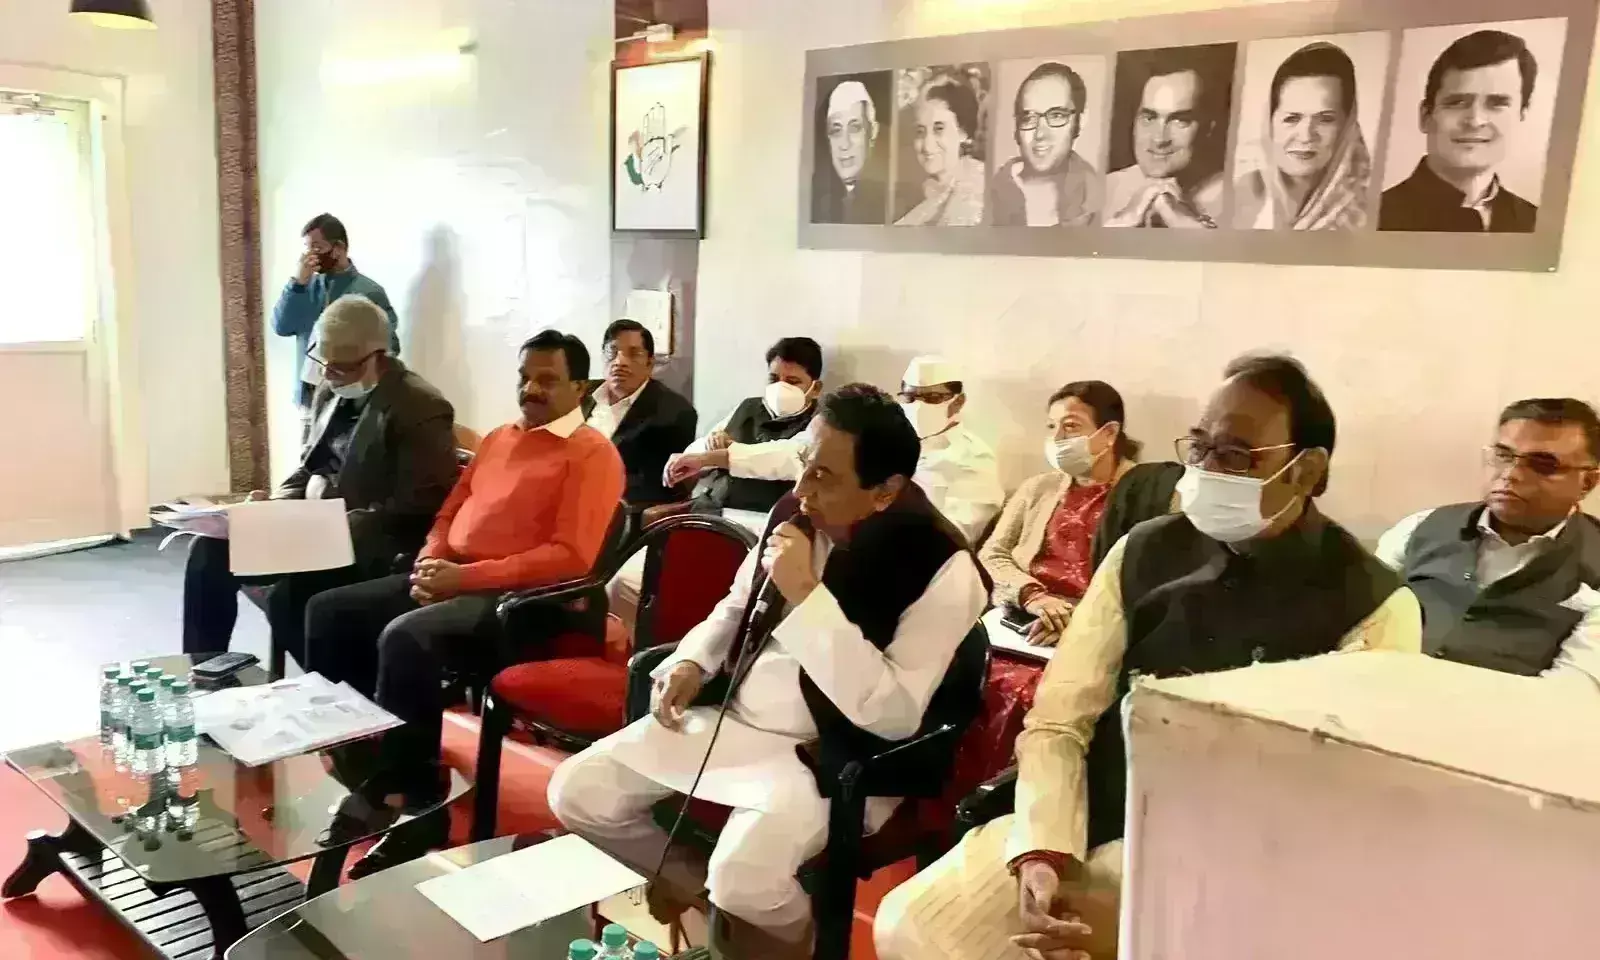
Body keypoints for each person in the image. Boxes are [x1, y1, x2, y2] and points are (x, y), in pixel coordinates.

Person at [874, 354, 1422, 960]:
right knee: (912, 927)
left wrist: (1147, 904)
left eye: (1236, 455)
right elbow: (1059, 721)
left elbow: (1333, 812)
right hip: (1091, 814)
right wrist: (1044, 851)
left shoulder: (1373, 605)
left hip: (1237, 869)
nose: (1207, 470)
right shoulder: (1145, 552)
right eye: (1200, 447)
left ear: (1305, 470)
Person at [549, 384, 989, 950]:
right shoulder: (794, 515)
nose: (801, 489)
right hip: (736, 719)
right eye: (804, 462)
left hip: (832, 753)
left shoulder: (942, 568)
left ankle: (797, 944)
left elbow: (894, 715)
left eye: (824, 475)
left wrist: (806, 596)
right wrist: (693, 660)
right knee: (577, 792)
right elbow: (736, 607)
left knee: (743, 880)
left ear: (885, 491)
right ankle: (701, 895)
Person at [300, 330, 625, 877]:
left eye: (547, 380)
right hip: (458, 579)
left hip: (527, 605)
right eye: (524, 377)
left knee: (407, 637)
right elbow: (450, 511)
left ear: (580, 386)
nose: (531, 389)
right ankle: (367, 764)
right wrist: (431, 560)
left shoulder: (592, 454)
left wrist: (465, 578)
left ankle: (418, 800)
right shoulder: (500, 438)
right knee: (328, 612)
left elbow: (570, 558)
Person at [183, 295, 456, 666]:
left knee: (290, 597)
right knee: (208, 551)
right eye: (323, 362)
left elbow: (417, 507)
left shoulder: (420, 406)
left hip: (370, 543)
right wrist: (275, 506)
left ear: (377, 356)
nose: (327, 375)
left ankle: (333, 691)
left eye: (340, 367)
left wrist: (327, 527)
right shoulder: (331, 391)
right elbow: (309, 467)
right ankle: (203, 671)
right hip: (312, 531)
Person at [1376, 398, 1600, 689]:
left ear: (1587, 483)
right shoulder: (1420, 527)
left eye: (1543, 464)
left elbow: (1572, 691)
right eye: (1503, 455)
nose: (1511, 474)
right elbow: (1358, 622)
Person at [604, 337, 824, 630]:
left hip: (759, 529)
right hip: (709, 513)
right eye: (774, 379)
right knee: (623, 584)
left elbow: (784, 457)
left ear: (815, 388)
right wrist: (707, 449)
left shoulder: (820, 425)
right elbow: (696, 451)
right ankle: (635, 650)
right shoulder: (748, 408)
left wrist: (724, 455)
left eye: (792, 381)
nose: (780, 388)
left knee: (717, 608)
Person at [981, 381, 1182, 646]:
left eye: (1070, 426)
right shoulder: (1037, 488)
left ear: (1109, 433)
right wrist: (1033, 597)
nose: (1057, 438)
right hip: (1024, 619)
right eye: (1052, 426)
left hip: (1102, 631)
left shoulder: (1155, 491)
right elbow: (992, 555)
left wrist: (1080, 622)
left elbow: (1166, 582)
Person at [1380, 30, 1540, 233]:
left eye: (1497, 104)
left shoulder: (1537, 224)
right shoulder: (1373, 218)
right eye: (1456, 103)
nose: (1475, 121)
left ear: (1521, 115)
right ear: (1426, 116)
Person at [271, 213, 401, 416]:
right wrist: (296, 285)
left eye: (317, 248)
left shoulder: (369, 291)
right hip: (309, 399)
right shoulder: (304, 288)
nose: (310, 256)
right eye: (307, 249)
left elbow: (389, 347)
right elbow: (281, 327)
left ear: (338, 248)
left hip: (351, 399)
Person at [1234, 42, 1373, 231]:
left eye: (1325, 119)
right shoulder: (1235, 198)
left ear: (1347, 126)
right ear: (1270, 122)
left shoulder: (1368, 214)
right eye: (1292, 118)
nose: (1306, 136)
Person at [1104, 47, 1232, 229]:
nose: (1159, 139)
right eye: (1149, 118)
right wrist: (1122, 220)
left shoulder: (1241, 198)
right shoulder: (1103, 190)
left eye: (1180, 121)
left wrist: (1186, 223)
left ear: (1208, 127)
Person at [587, 319, 698, 507]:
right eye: (612, 352)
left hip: (616, 509)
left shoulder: (673, 412)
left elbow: (656, 486)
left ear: (650, 363)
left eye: (633, 354)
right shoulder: (580, 395)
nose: (619, 362)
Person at [897, 356, 1005, 546]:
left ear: (958, 402)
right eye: (910, 398)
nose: (918, 407)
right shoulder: (889, 440)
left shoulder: (974, 457)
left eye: (933, 398)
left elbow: (954, 535)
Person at [989, 62, 1102, 227]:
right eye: (1029, 118)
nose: (1040, 134)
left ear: (1081, 121)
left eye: (1057, 115)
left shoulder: (1098, 198)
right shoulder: (989, 193)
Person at [897, 79, 987, 227]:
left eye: (939, 129)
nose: (927, 145)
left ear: (963, 131)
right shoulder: (927, 196)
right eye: (920, 131)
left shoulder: (977, 190)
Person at [815, 79, 887, 224]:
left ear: (872, 132)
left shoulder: (891, 203)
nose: (844, 144)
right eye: (836, 130)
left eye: (854, 128)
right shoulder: (821, 207)